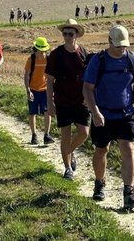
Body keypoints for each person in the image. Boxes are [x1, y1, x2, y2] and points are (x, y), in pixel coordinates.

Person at [82, 25, 134, 208]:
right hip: (103, 114)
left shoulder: (133, 60)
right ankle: (99, 183)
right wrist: (95, 112)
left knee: (128, 148)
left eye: (124, 45)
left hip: (126, 113)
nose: (122, 48)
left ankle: (129, 193)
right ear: (109, 41)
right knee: (101, 150)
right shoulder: (98, 61)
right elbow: (88, 89)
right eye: (118, 45)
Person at [45, 19, 91, 180]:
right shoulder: (55, 55)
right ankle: (67, 168)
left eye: (70, 34)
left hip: (81, 100)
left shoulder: (84, 53)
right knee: (65, 134)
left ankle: (69, 152)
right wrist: (50, 102)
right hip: (62, 100)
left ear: (77, 35)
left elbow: (90, 77)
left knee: (84, 133)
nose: (67, 37)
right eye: (65, 34)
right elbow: (49, 80)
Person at [24, 37, 54, 145]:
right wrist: (28, 91)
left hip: (45, 90)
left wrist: (52, 91)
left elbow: (52, 76)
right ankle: (34, 135)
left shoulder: (49, 59)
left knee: (47, 111)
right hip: (33, 89)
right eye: (40, 50)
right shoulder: (31, 59)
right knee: (32, 112)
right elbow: (26, 76)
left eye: (44, 50)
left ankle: (47, 135)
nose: (42, 53)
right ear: (35, 49)